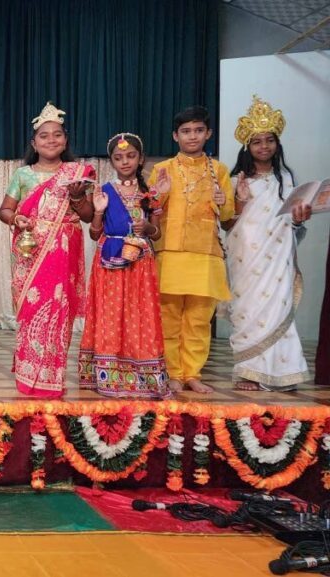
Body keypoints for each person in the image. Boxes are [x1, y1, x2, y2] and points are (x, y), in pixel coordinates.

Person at [0, 102, 96, 398]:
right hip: (30, 250)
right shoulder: (23, 175)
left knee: (58, 312)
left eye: (56, 135)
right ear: (34, 143)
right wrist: (18, 220)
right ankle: (28, 376)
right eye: (44, 136)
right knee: (31, 311)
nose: (51, 140)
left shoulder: (77, 173)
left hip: (63, 251)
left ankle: (52, 378)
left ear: (65, 139)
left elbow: (90, 215)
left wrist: (78, 198)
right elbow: (5, 211)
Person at [147, 106, 235, 394]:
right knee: (169, 317)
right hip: (170, 253)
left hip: (206, 254)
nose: (192, 136)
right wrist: (159, 194)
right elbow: (150, 211)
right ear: (176, 136)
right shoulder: (162, 170)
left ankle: (192, 373)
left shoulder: (219, 170)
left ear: (208, 133)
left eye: (198, 130)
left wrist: (225, 202)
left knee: (199, 319)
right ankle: (173, 373)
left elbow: (226, 218)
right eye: (186, 131)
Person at [226, 96, 311, 392]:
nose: (264, 147)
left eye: (269, 140)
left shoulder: (287, 179)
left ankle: (284, 372)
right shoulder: (237, 180)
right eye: (257, 142)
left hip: (278, 257)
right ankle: (249, 371)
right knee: (248, 309)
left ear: (277, 144)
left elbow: (293, 224)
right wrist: (240, 199)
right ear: (247, 147)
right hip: (246, 257)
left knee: (277, 309)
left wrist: (300, 219)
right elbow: (227, 224)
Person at [78, 133, 170, 399]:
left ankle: (143, 377)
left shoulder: (149, 193)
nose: (125, 162)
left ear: (140, 159)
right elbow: (95, 234)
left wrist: (148, 227)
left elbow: (157, 233)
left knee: (140, 315)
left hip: (141, 262)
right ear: (112, 161)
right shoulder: (104, 191)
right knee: (110, 314)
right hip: (109, 262)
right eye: (118, 158)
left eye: (130, 156)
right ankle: (108, 375)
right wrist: (97, 211)